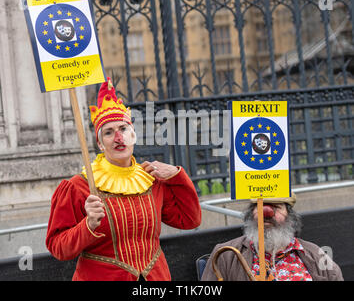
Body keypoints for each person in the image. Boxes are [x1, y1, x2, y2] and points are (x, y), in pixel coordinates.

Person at [46, 78, 201, 281]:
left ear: (133, 135)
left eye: (123, 129)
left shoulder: (151, 180)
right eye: (109, 133)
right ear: (100, 144)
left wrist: (176, 175)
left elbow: (190, 220)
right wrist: (88, 225)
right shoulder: (78, 186)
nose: (119, 138)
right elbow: (58, 248)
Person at [201, 195, 343, 281]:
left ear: (290, 216)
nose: (267, 213)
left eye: (276, 207)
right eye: (260, 206)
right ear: (251, 214)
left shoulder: (316, 254)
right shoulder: (226, 254)